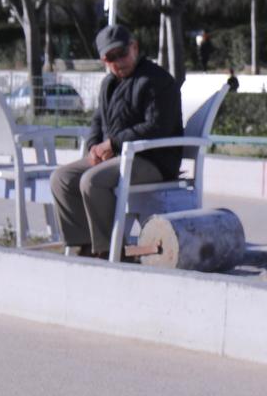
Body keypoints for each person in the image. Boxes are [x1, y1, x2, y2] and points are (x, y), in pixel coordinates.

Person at [49, 25, 182, 259]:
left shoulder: (158, 80)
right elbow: (98, 120)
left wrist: (113, 144)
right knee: (62, 178)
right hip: (118, 157)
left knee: (93, 181)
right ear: (103, 60)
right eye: (110, 58)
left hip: (152, 160)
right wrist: (94, 146)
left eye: (122, 53)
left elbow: (157, 126)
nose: (118, 61)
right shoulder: (108, 84)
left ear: (134, 48)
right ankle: (84, 245)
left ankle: (110, 251)